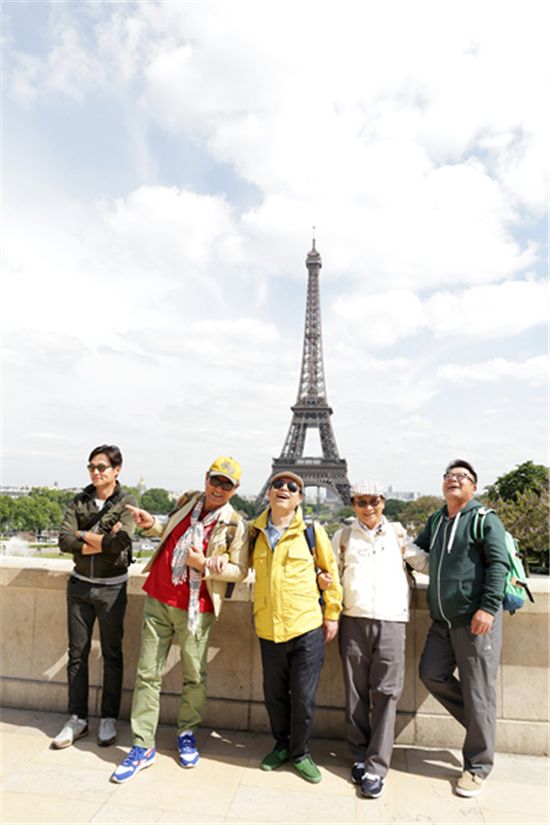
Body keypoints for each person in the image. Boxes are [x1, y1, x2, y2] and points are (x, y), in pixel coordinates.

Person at [111, 456, 248, 783]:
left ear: (235, 489)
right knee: (147, 674)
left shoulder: (234, 524)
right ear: (206, 478)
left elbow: (239, 571)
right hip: (159, 595)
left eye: (226, 484)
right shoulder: (188, 502)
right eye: (215, 480)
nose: (218, 488)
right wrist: (149, 523)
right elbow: (169, 529)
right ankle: (142, 745)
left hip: (196, 608)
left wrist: (205, 564)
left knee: (193, 675)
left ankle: (187, 732)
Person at [416, 459, 509, 798]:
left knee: (480, 692)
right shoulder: (438, 520)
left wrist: (487, 607)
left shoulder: (485, 520)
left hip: (474, 621)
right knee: (430, 674)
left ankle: (477, 766)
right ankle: (479, 725)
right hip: (442, 621)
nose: (454, 480)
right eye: (449, 476)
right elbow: (416, 550)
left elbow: (499, 563)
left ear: (474, 487)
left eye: (462, 477)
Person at [331, 481, 429, 799]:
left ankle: (377, 765)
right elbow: (329, 573)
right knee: (356, 692)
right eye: (361, 502)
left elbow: (428, 562)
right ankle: (359, 754)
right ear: (353, 504)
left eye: (373, 501)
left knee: (387, 693)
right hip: (353, 619)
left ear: (383, 502)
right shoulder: (342, 537)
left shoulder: (399, 535)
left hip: (391, 621)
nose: (367, 507)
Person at [250, 471, 342, 784]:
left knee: (303, 696)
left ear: (300, 498)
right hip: (268, 626)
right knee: (274, 695)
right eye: (277, 484)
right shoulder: (254, 533)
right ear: (268, 492)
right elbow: (236, 565)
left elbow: (330, 574)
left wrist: (332, 614)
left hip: (305, 627)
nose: (284, 489)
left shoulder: (313, 532)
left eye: (292, 487)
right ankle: (281, 745)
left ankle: (300, 753)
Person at [54, 444, 137, 749]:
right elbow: (63, 541)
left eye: (102, 467)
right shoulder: (80, 499)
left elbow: (120, 544)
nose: (96, 472)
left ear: (117, 470)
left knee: (112, 654)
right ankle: (77, 718)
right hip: (79, 586)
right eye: (91, 467)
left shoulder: (128, 501)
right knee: (76, 654)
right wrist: (101, 538)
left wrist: (83, 535)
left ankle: (108, 718)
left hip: (112, 586)